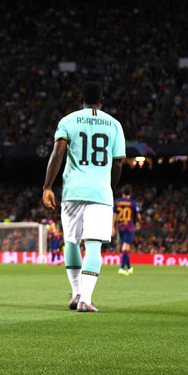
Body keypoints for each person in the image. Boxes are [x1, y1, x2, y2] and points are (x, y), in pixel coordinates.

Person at [42, 82, 126, 313]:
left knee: (71, 240)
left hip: (73, 191)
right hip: (99, 192)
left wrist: (47, 186)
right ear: (103, 101)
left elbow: (58, 152)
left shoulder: (67, 121)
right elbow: (118, 162)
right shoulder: (115, 125)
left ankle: (76, 292)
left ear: (80, 98)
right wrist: (110, 186)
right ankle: (86, 299)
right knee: (93, 244)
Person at [113, 184, 141, 275]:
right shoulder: (132, 203)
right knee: (126, 247)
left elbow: (114, 215)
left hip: (120, 227)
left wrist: (112, 227)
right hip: (129, 227)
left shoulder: (117, 202)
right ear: (130, 193)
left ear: (122, 192)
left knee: (124, 247)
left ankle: (129, 268)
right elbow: (138, 215)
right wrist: (139, 223)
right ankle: (121, 268)